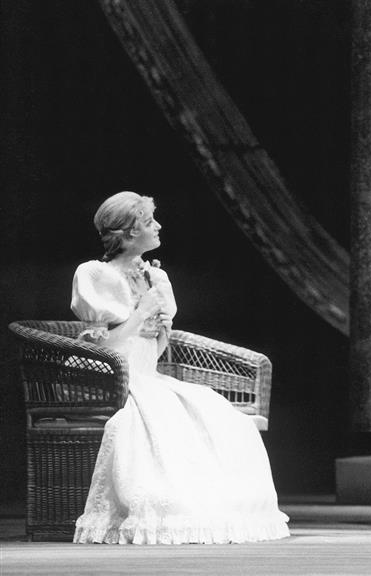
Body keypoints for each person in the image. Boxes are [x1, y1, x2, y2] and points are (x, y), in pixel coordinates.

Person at [71, 191, 290, 544]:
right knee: (162, 417)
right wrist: (141, 313)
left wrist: (160, 331)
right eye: (149, 222)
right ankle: (163, 509)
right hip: (112, 376)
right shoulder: (96, 275)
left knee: (221, 414)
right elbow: (103, 349)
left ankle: (215, 508)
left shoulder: (155, 277)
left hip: (147, 374)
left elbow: (153, 350)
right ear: (129, 232)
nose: (158, 226)